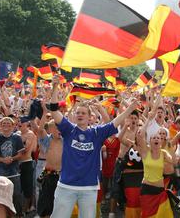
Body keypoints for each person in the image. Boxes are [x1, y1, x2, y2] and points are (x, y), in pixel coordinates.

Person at [48, 75, 140, 218]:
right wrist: (54, 88)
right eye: (78, 112)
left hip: (89, 187)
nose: (80, 115)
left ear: (89, 117)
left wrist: (130, 109)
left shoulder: (96, 132)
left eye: (83, 113)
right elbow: (54, 110)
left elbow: (114, 122)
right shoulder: (68, 129)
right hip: (66, 186)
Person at [136, 118, 174, 218]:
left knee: (162, 215)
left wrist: (172, 150)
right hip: (146, 190)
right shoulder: (145, 152)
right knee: (147, 215)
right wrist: (148, 119)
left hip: (160, 190)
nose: (157, 139)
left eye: (158, 138)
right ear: (150, 141)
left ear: (161, 142)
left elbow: (173, 162)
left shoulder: (164, 153)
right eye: (154, 138)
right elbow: (139, 136)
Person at [0, 116, 25, 217]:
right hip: (1, 172)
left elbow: (21, 154)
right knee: (1, 195)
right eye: (3, 124)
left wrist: (12, 159)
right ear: (0, 126)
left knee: (16, 195)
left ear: (13, 126)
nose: (6, 125)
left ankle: (18, 215)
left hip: (14, 171)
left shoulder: (17, 138)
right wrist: (3, 160)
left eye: (8, 124)